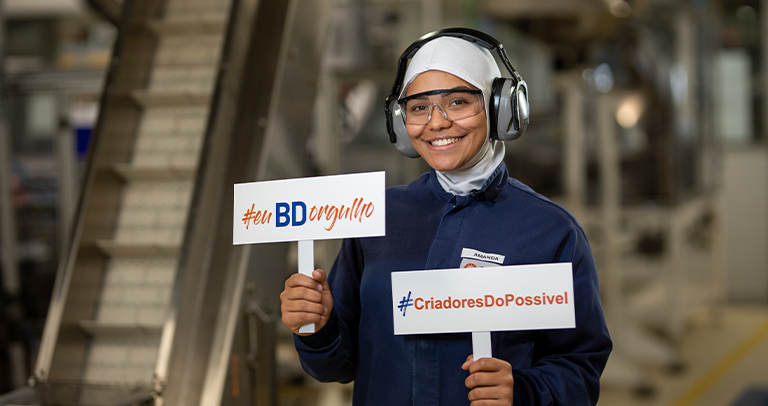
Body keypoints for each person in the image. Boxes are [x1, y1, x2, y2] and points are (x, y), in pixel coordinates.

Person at [280, 28, 612, 406]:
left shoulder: (551, 231)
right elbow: (337, 366)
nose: (437, 123)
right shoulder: (379, 218)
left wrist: (522, 392)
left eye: (457, 102)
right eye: (419, 108)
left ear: (500, 107)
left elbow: (580, 369)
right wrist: (317, 327)